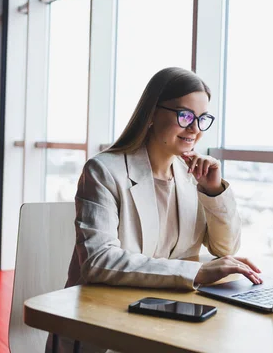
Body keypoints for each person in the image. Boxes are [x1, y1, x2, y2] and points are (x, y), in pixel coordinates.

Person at [46, 67, 262, 353]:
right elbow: (98, 262)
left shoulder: (190, 175)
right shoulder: (104, 171)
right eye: (184, 116)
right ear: (151, 114)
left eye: (202, 119)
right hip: (105, 325)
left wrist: (213, 191)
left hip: (168, 319)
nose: (195, 129)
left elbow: (226, 247)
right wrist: (196, 273)